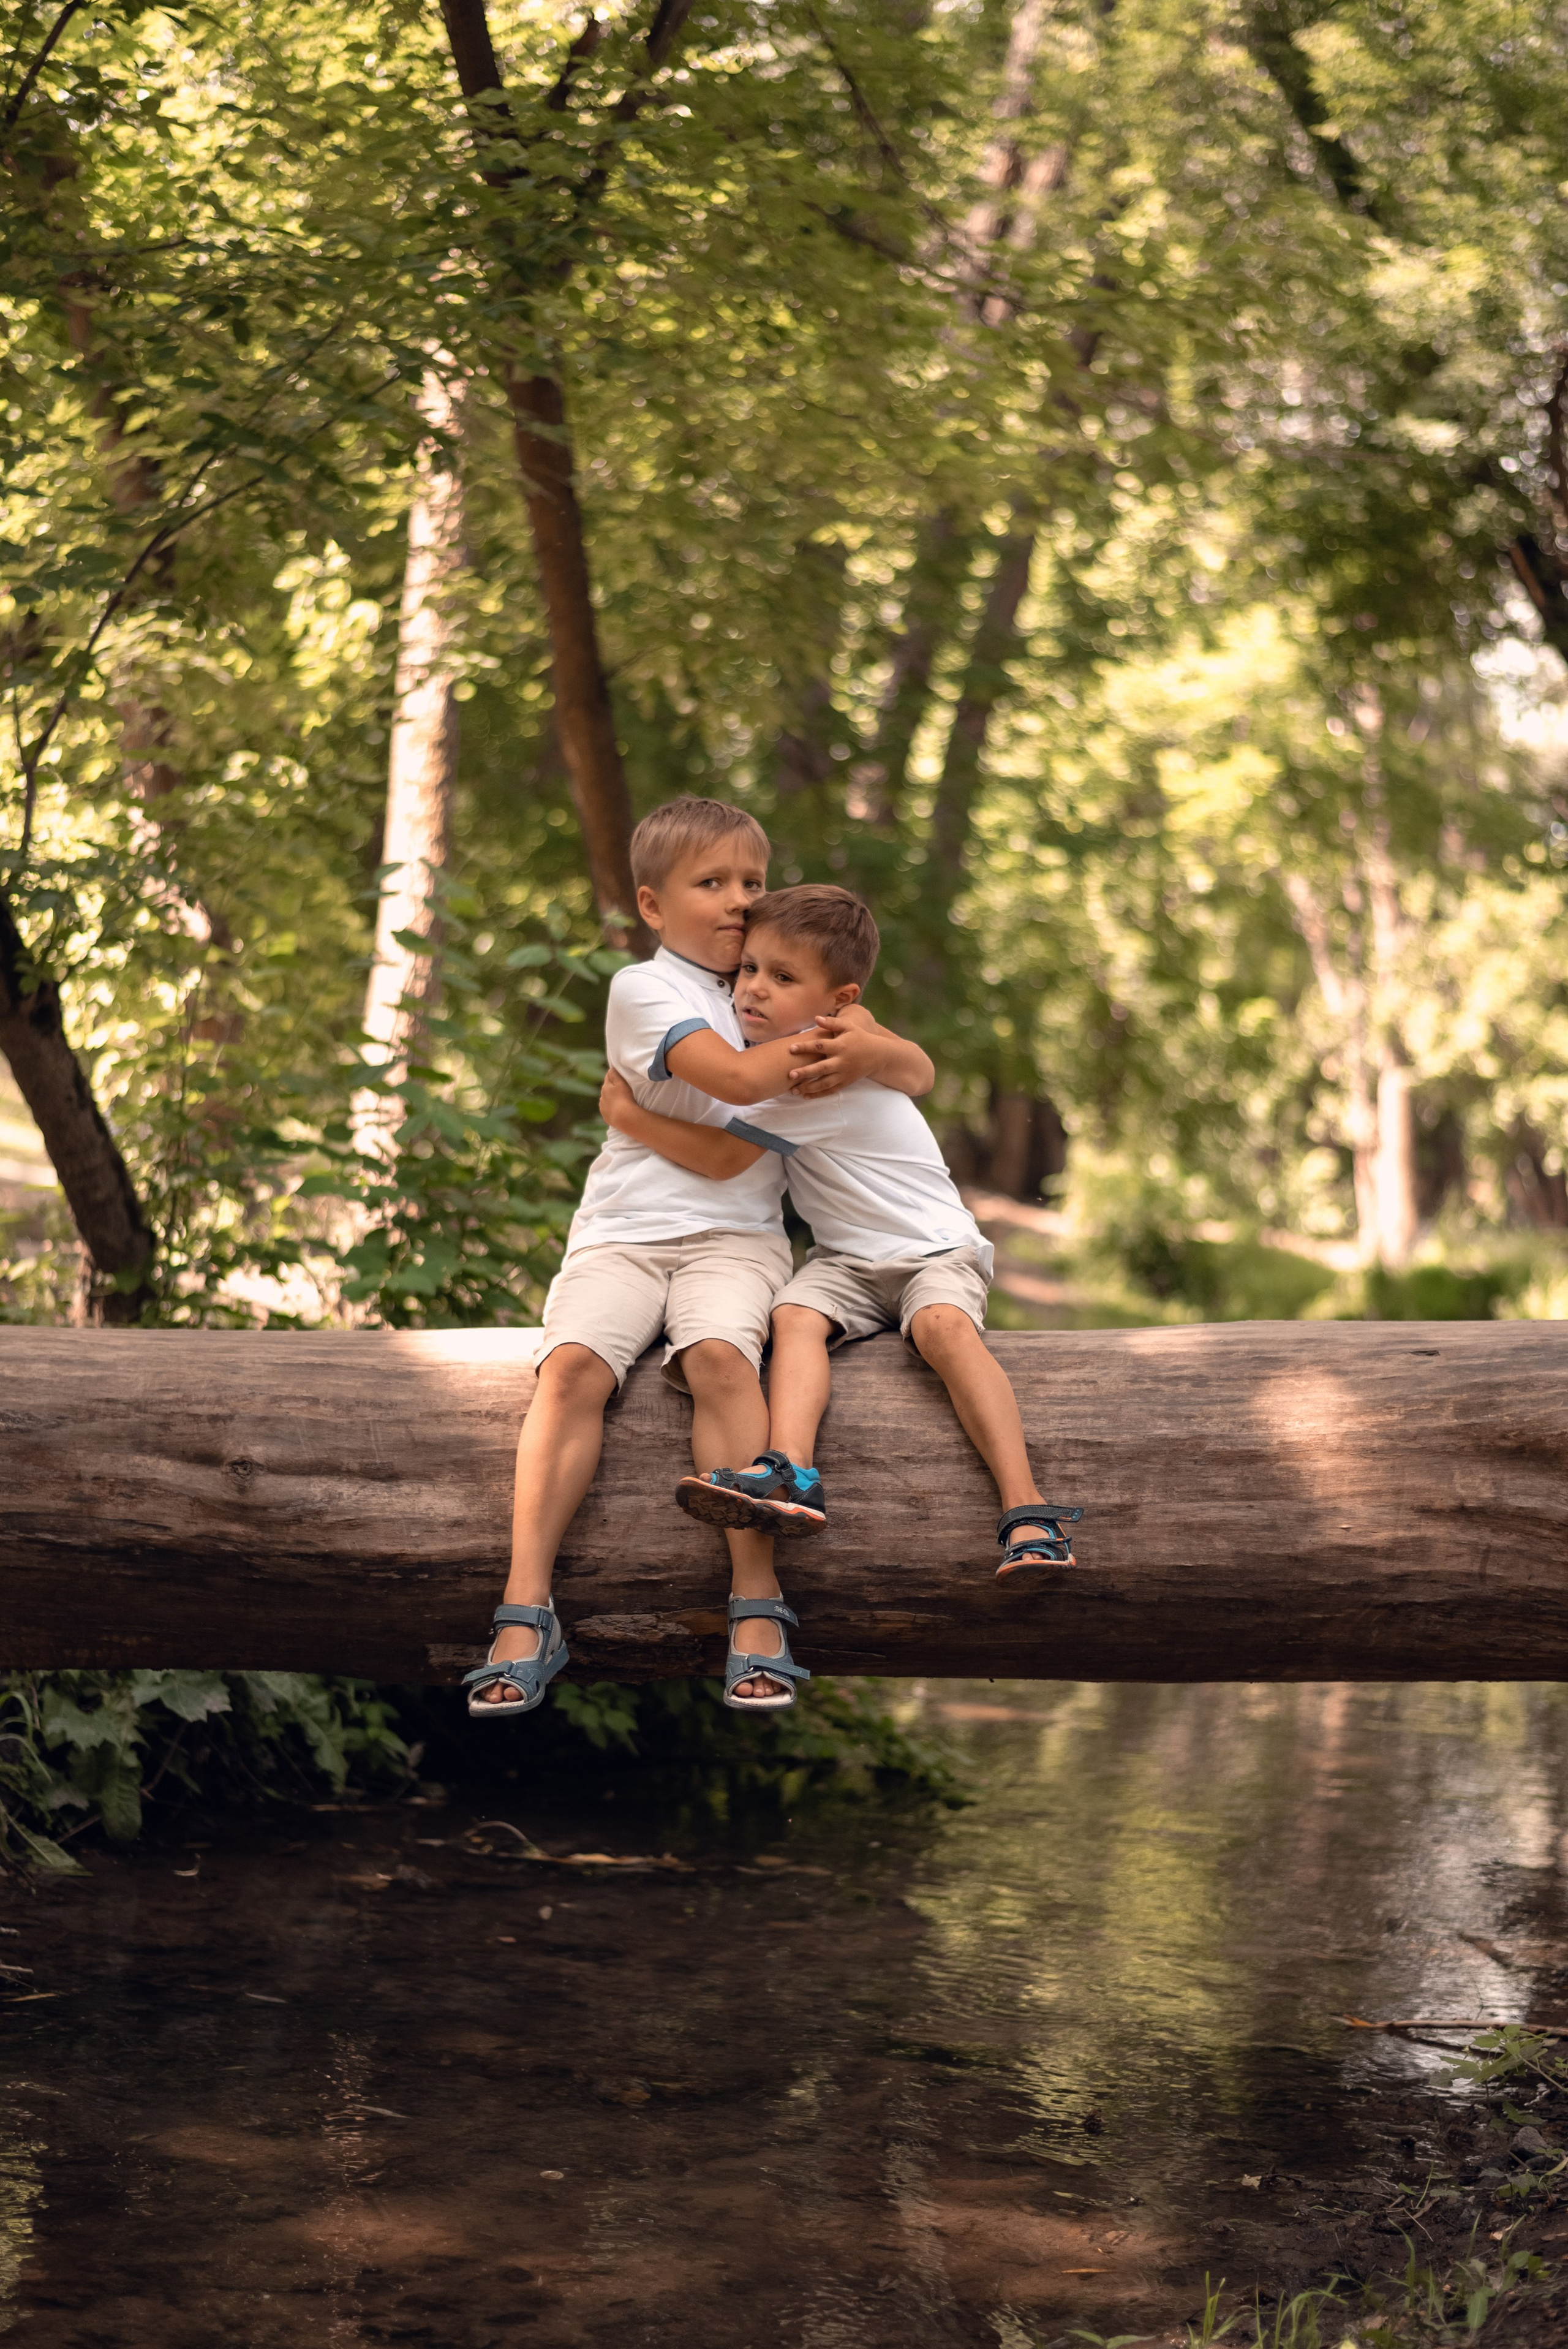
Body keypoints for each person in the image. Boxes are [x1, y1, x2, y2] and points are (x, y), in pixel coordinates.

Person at [466, 807, 935, 1719]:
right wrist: (852, 1036)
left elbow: (896, 1081)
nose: (737, 901)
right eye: (711, 883)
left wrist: (879, 1046)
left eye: (752, 882)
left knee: (721, 1358)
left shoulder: (777, 987)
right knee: (571, 1369)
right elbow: (739, 1082)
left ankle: (756, 1604)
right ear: (653, 905)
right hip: (623, 1230)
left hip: (737, 1237)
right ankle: (526, 1609)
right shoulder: (646, 990)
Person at [597, 882, 1084, 1598]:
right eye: (749, 969)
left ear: (837, 1000)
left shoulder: (813, 1068)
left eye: (782, 977)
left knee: (942, 1329)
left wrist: (626, 1114)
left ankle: (1028, 1512)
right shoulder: (814, 1050)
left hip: (931, 1248)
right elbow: (912, 1066)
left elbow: (725, 1157)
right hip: (846, 1261)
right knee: (793, 1315)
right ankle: (790, 1470)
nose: (753, 989)